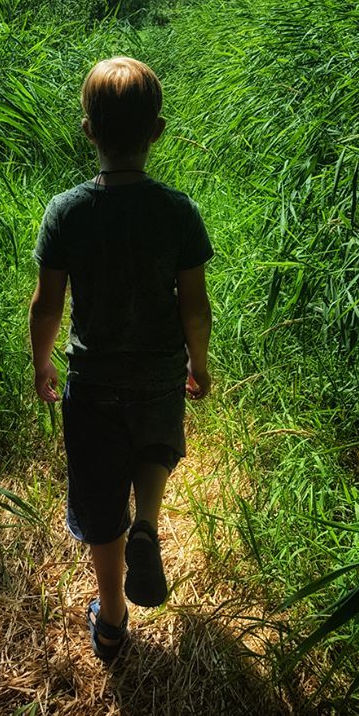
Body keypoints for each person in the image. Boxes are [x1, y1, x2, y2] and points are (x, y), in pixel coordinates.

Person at [29, 56, 213, 662]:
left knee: (99, 500)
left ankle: (111, 623)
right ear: (156, 132)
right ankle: (150, 525)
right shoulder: (177, 211)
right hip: (159, 373)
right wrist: (198, 362)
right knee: (155, 448)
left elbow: (47, 304)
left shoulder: (67, 211)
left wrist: (42, 362)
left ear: (88, 131)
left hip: (94, 380)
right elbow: (194, 304)